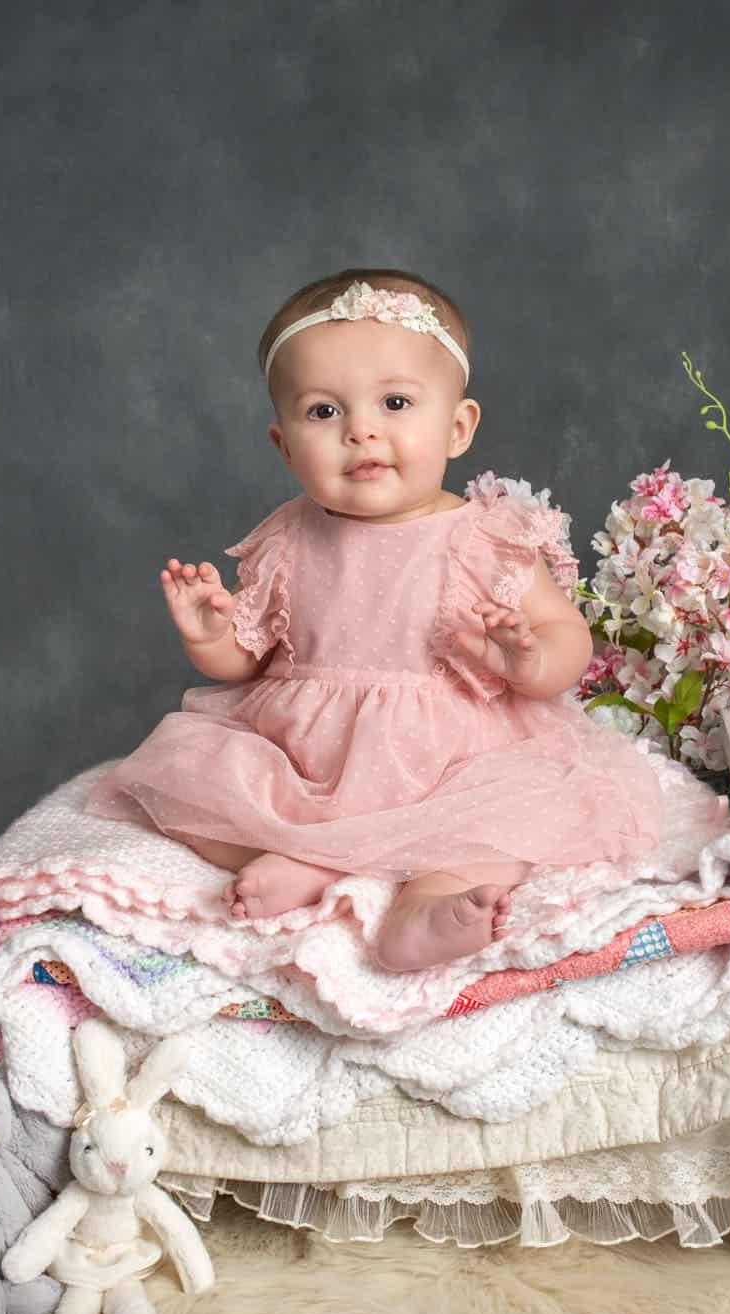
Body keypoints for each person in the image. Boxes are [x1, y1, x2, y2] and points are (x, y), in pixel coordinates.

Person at [84, 268, 662, 970]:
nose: (362, 431)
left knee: (506, 819)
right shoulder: (288, 537)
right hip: (310, 756)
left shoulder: (485, 537)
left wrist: (531, 661)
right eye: (324, 412)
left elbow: (568, 633)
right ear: (284, 445)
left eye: (394, 403)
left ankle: (425, 905)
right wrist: (211, 637)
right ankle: (313, 858)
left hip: (451, 761)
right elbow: (252, 654)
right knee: (192, 775)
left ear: (457, 427)